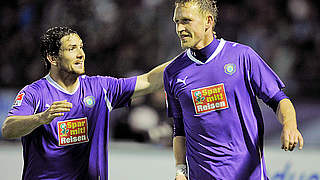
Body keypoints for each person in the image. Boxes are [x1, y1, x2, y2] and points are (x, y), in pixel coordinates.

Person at [1, 26, 170, 180]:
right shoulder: (34, 93)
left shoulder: (99, 88)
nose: (81, 54)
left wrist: (191, 56)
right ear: (53, 58)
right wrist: (40, 118)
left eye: (81, 47)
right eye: (72, 49)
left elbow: (149, 81)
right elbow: (8, 129)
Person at [163, 0, 304, 179]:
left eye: (186, 21)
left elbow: (279, 100)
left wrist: (290, 125)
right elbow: (179, 129)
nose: (179, 28)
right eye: (177, 22)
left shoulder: (242, 56)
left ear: (208, 21)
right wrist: (180, 170)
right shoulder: (173, 72)